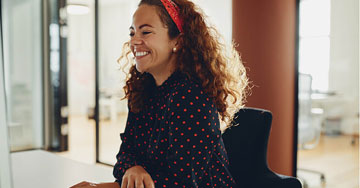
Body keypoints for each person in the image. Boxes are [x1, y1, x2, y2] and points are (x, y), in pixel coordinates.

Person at [71, 0, 248, 187]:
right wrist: (133, 168)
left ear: (177, 41)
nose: (133, 41)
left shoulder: (192, 96)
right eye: (132, 33)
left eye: (145, 32)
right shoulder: (142, 90)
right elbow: (125, 154)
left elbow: (181, 183)